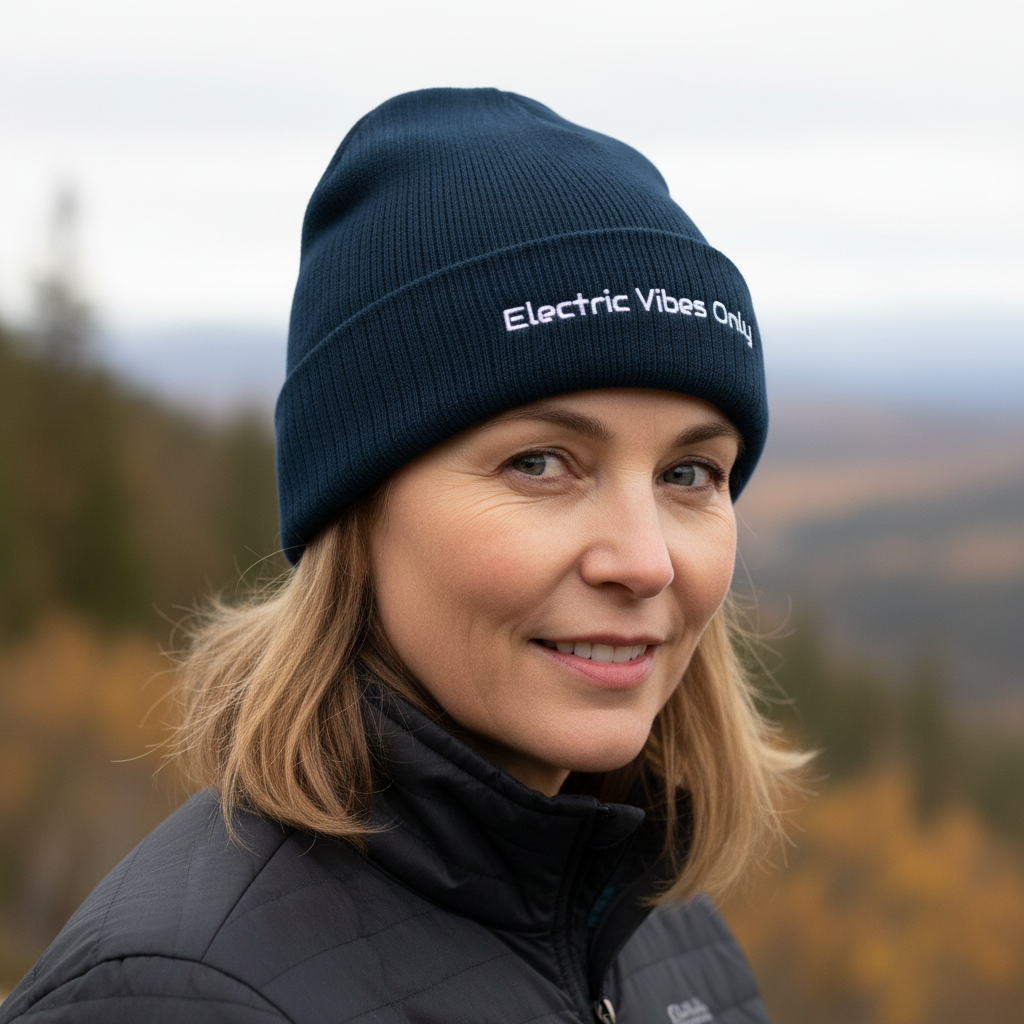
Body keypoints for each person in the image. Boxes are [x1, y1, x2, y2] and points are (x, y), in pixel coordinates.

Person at [0, 88, 805, 1024]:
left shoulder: (664, 934)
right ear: (358, 508)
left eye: (692, 474)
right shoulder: (175, 996)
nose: (646, 562)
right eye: (540, 463)